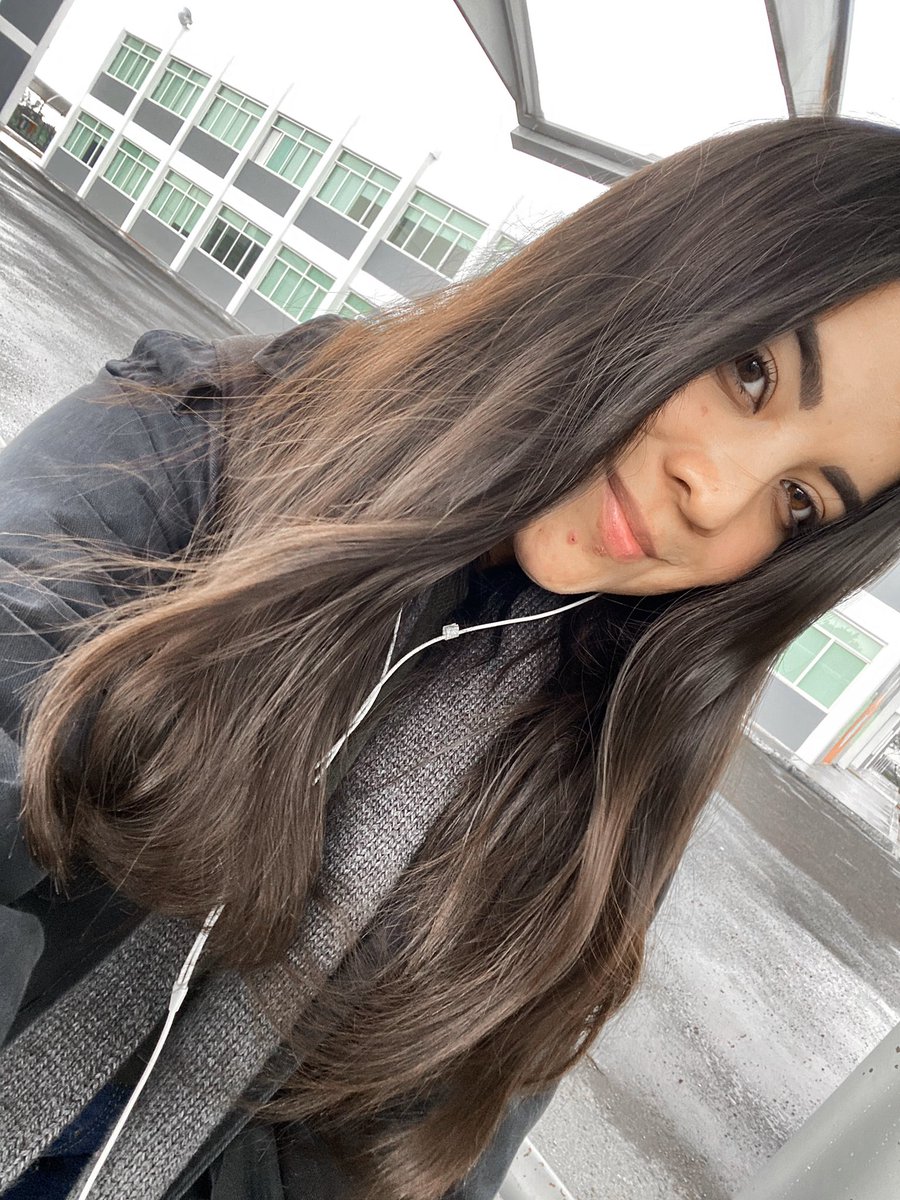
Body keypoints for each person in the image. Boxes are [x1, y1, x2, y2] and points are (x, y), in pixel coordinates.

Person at [1, 113, 899, 1200]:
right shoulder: (200, 436)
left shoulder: (610, 769)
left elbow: (429, 1151)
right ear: (652, 266)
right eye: (753, 373)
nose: (718, 497)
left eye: (798, 502)